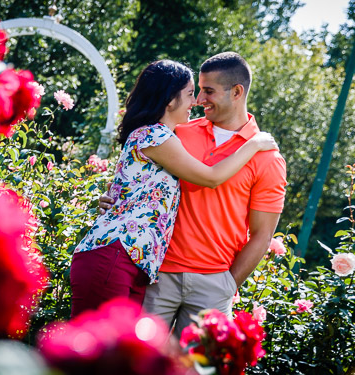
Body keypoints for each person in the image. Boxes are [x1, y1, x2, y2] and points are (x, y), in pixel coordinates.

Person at [69, 59, 278, 317]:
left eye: (207, 91)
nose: (198, 100)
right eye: (193, 92)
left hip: (147, 266)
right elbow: (211, 177)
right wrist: (254, 143)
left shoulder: (268, 158)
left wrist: (228, 285)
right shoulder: (167, 135)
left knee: (120, 354)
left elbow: (263, 233)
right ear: (170, 100)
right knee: (96, 349)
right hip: (136, 264)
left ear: (236, 92)